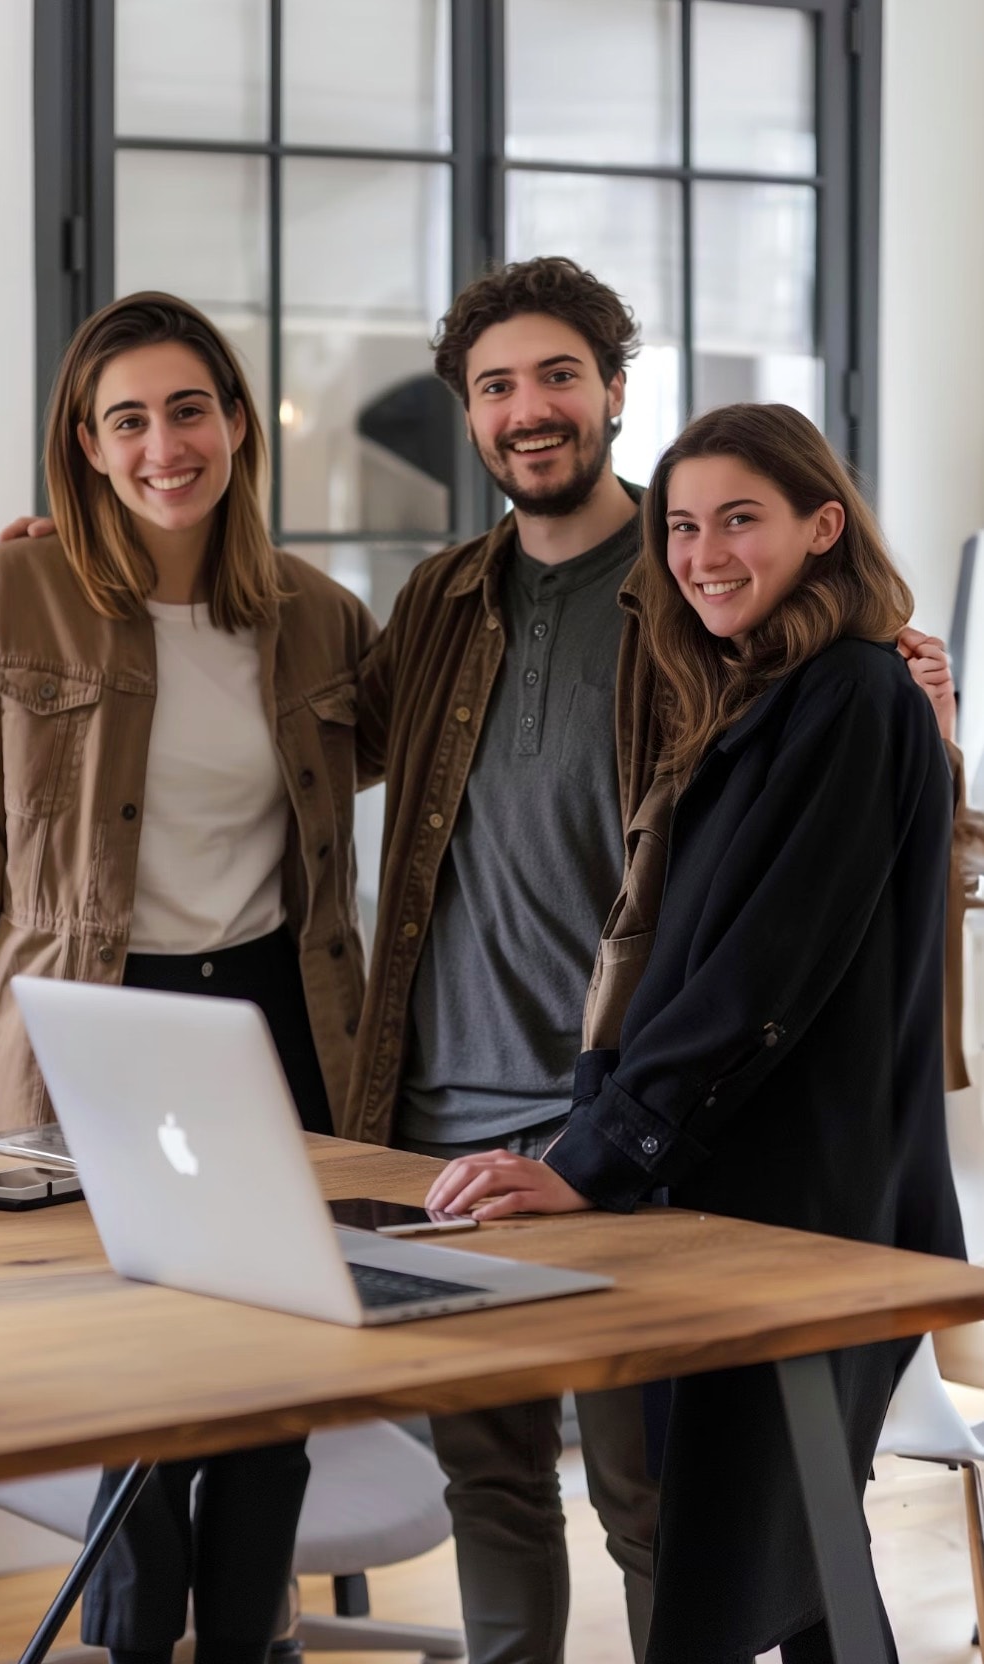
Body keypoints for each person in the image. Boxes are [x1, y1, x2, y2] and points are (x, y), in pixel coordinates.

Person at [0, 259, 959, 1664]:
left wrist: (917, 716)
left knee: (655, 1503)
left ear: (614, 390)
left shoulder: (694, 597)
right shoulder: (447, 595)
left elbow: (818, 824)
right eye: (495, 385)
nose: (529, 410)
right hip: (440, 1105)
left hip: (617, 1120)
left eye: (558, 375)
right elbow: (316, 740)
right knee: (491, 1487)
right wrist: (92, 584)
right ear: (467, 411)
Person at [426, 400, 966, 1663]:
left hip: (808, 1213)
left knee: (744, 1560)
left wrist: (584, 1158)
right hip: (740, 1194)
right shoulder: (753, 697)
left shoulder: (851, 695)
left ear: (822, 526)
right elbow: (683, 970)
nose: (703, 552)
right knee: (798, 1552)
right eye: (680, 526)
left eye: (740, 519)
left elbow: (756, 975)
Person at [0, 291, 377, 1664]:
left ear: (237, 423)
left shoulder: (320, 619)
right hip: (90, 1034)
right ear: (87, 443)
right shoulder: (6, 596)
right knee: (133, 1378)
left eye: (189, 410)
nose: (164, 445)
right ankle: (133, 1644)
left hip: (277, 1027)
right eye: (129, 421)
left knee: (274, 1373)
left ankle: (248, 1640)